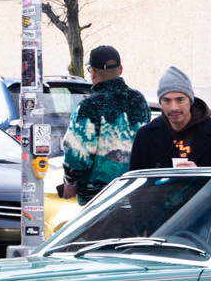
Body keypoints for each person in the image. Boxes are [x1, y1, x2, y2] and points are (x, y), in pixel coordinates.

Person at [62, 44, 150, 203]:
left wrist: (70, 182)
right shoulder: (139, 101)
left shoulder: (88, 107)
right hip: (135, 192)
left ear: (93, 72)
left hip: (99, 197)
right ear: (120, 69)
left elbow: (77, 153)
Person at [130, 65, 211, 170]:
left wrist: (200, 174)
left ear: (190, 100)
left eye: (180, 100)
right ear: (160, 102)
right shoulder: (145, 135)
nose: (174, 107)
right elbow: (135, 179)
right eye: (167, 100)